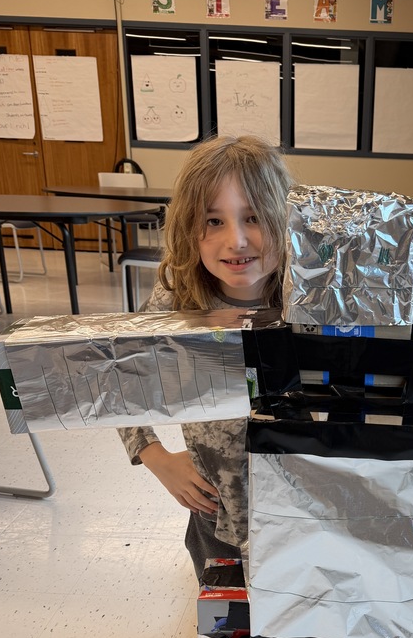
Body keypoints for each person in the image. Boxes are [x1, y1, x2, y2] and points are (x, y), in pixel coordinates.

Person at [118, 135, 294, 579]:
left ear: (283, 217)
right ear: (188, 229)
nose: (236, 240)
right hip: (216, 508)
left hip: (299, 502)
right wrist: (156, 457)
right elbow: (121, 374)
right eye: (213, 221)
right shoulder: (178, 296)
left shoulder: (311, 294)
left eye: (253, 217)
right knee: (229, 629)